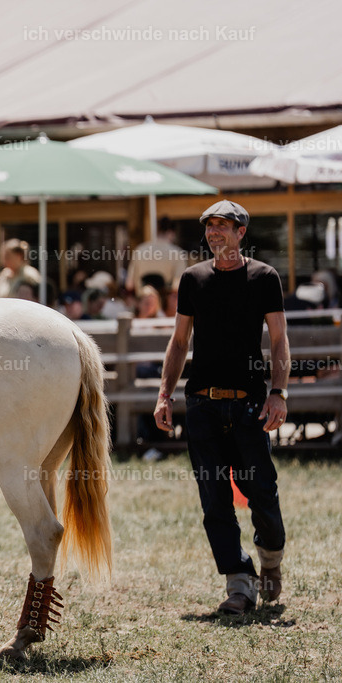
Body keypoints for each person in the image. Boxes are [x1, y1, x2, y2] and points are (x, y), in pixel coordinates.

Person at [153, 200, 289, 615]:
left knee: (261, 492)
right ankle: (239, 584)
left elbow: (279, 340)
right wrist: (164, 394)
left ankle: (270, 559)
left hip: (250, 404)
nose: (214, 233)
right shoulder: (193, 279)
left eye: (222, 226)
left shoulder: (265, 277)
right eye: (209, 226)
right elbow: (179, 343)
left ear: (240, 232)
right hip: (202, 406)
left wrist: (278, 392)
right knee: (214, 499)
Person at [126, 219, 189, 296]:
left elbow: (129, 285)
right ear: (171, 233)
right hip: (164, 303)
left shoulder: (139, 250)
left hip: (142, 302)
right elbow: (178, 285)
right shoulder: (177, 253)